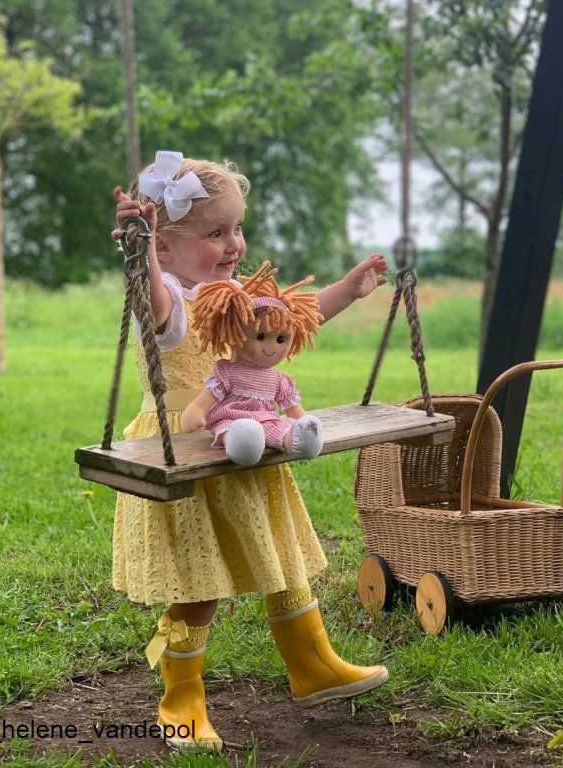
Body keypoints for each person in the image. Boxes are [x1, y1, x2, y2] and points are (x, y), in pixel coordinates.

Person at [111, 150, 390, 751]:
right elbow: (155, 307)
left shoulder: (237, 293)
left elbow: (290, 321)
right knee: (197, 581)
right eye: (215, 233)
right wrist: (142, 256)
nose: (234, 243)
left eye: (237, 228)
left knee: (277, 554)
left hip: (244, 439)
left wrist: (349, 289)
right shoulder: (172, 298)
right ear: (167, 247)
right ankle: (181, 698)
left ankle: (312, 665)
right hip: (183, 444)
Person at [181, 261, 325, 466]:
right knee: (229, 429)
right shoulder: (227, 372)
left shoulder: (279, 380)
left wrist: (303, 422)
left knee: (280, 428)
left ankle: (300, 438)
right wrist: (196, 411)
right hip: (232, 421)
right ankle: (241, 443)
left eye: (281, 339)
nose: (271, 347)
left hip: (267, 421)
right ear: (236, 335)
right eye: (260, 336)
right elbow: (207, 399)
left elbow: (293, 410)